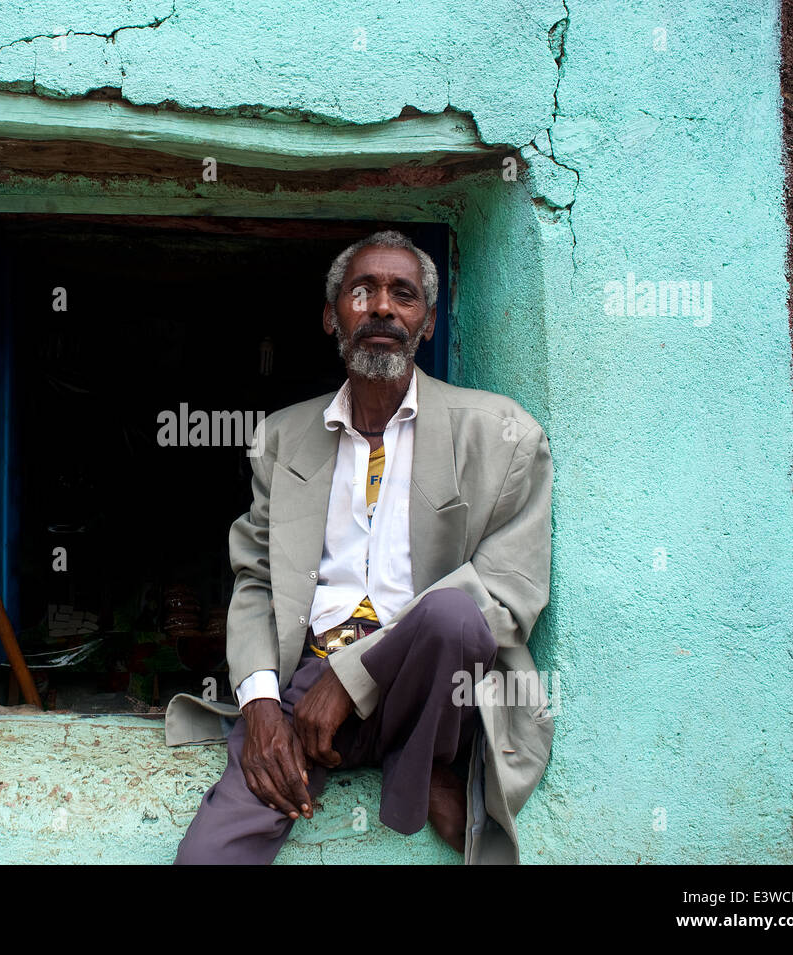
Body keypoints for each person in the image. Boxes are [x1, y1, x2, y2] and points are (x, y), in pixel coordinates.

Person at [167, 230, 555, 865]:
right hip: (306, 686)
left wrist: (353, 681)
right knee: (209, 855)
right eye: (361, 291)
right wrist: (263, 706)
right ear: (331, 316)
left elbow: (507, 597)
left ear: (426, 324)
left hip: (429, 688)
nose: (381, 308)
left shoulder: (502, 435)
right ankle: (410, 766)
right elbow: (257, 581)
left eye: (403, 295)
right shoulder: (283, 437)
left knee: (453, 613)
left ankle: (423, 757)